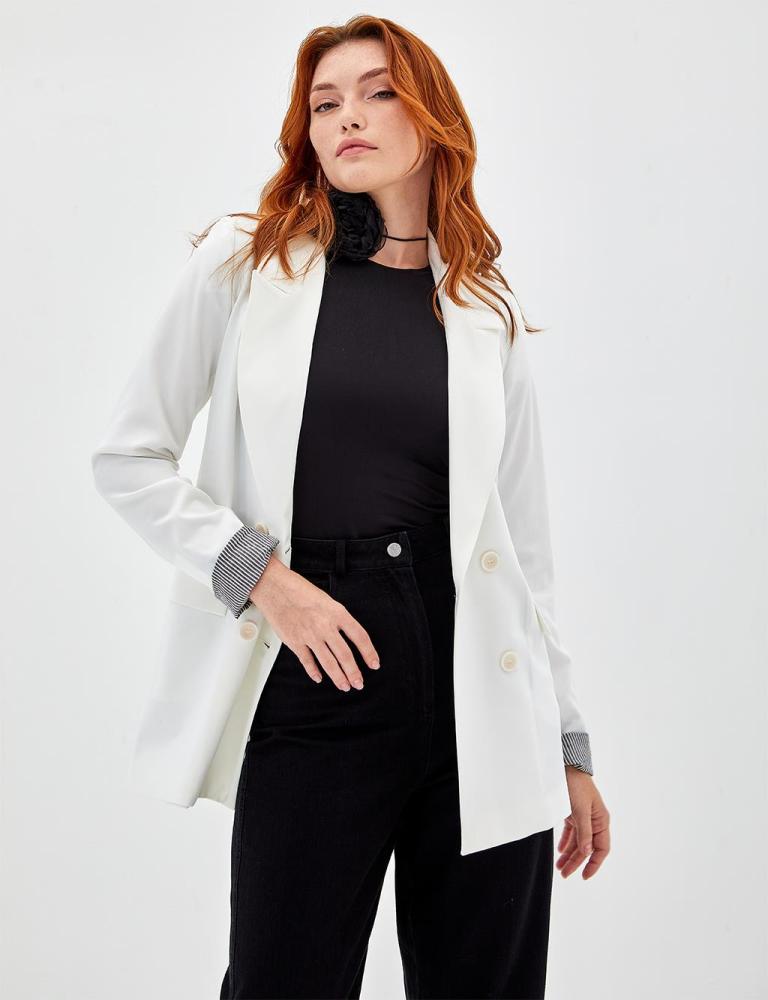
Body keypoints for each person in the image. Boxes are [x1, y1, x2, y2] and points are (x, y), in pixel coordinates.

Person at [91, 14, 611, 999]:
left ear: (433, 118)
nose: (346, 118)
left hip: (480, 685)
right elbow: (128, 457)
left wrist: (568, 743)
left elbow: (523, 550)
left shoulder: (485, 305)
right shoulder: (249, 262)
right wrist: (263, 580)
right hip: (318, 660)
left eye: (376, 93)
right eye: (324, 103)